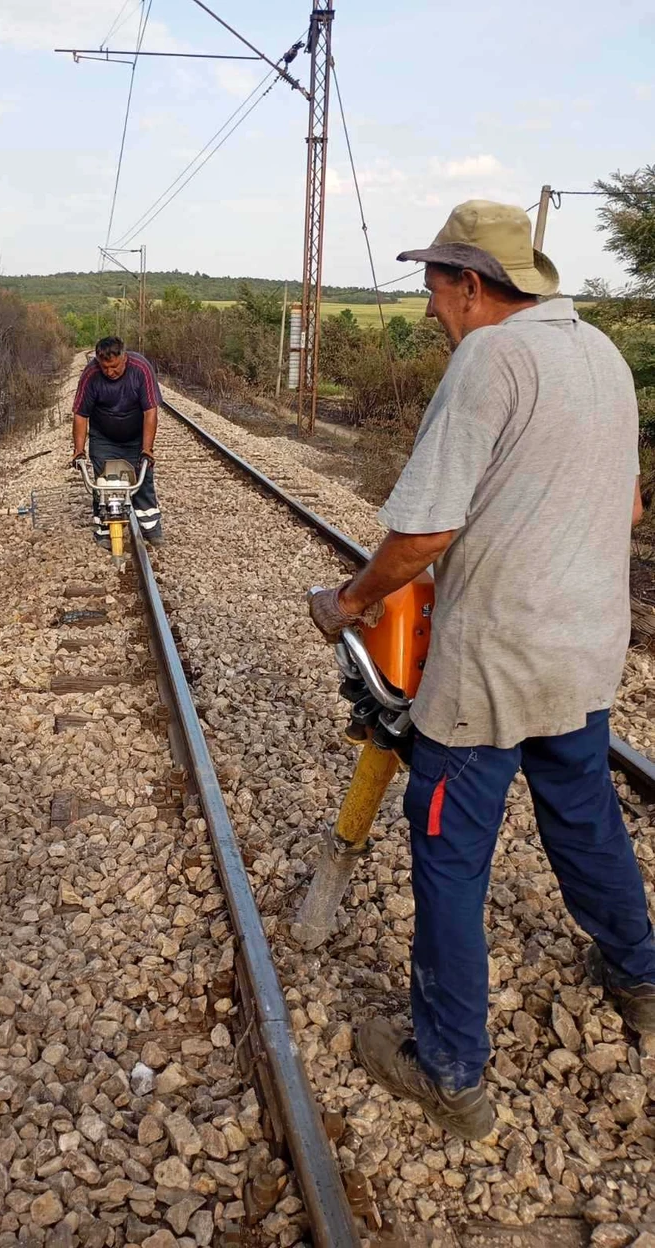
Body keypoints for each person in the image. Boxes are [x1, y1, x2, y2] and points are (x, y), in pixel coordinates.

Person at [308, 200, 654, 1141]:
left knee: (450, 853)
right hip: (581, 648)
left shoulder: (490, 359)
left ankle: (449, 1069)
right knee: (583, 816)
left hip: (494, 664)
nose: (429, 308)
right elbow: (622, 510)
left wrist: (347, 601)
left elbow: (422, 533)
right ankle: (639, 977)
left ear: (470, 285)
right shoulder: (602, 357)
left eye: (433, 288)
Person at [71, 336, 164, 546]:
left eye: (114, 367)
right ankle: (104, 530)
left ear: (124, 358)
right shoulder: (91, 375)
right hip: (103, 437)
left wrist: (147, 449)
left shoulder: (141, 369)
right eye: (105, 367)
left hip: (135, 436)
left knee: (143, 480)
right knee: (103, 484)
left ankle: (150, 527)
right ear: (98, 361)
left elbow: (150, 411)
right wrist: (78, 450)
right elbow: (80, 414)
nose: (109, 372)